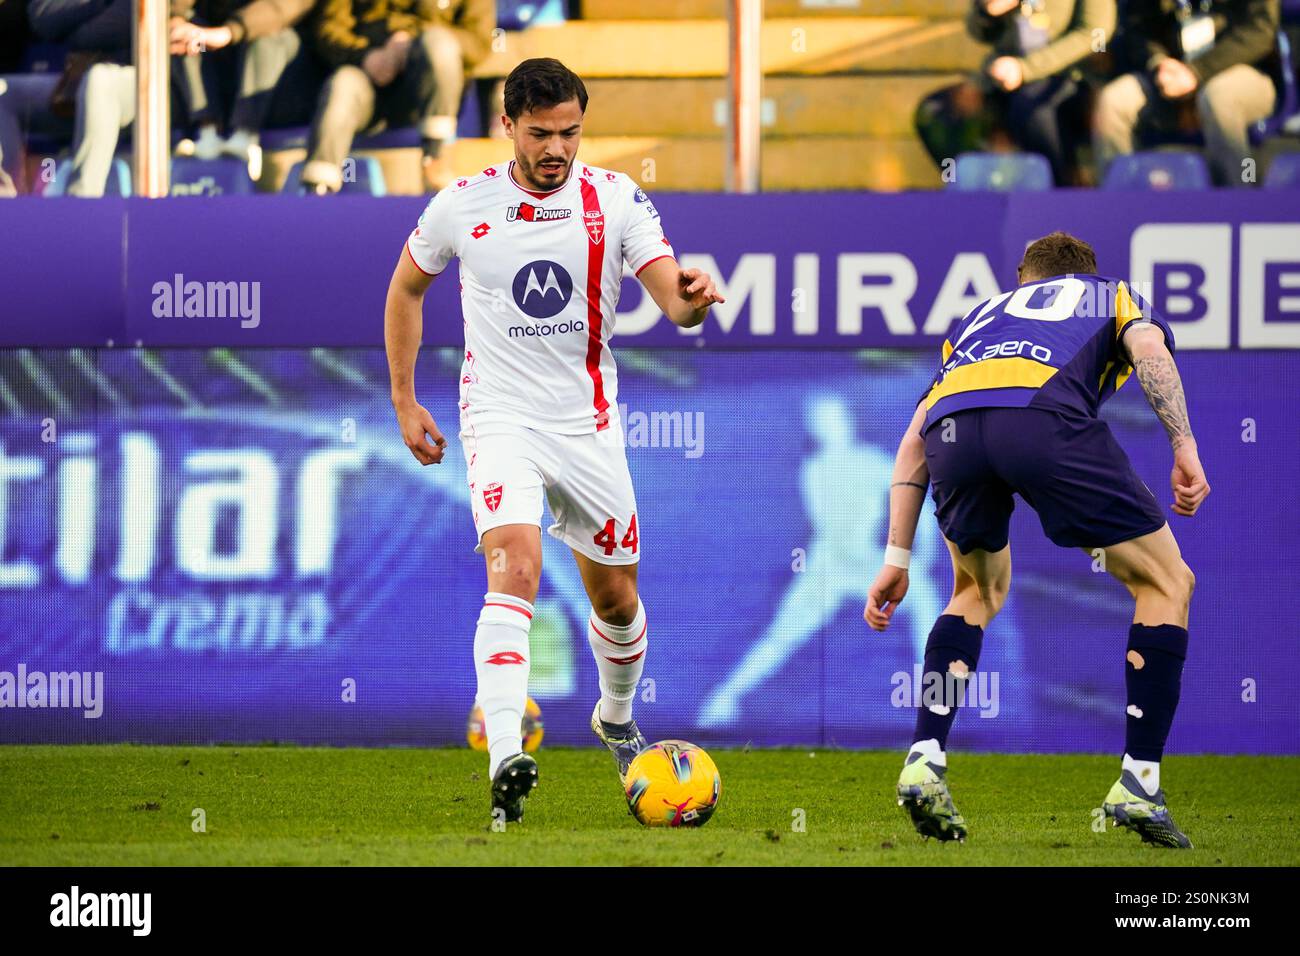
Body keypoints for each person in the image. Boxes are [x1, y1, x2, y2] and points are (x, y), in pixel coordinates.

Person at [384, 58, 724, 824]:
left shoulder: (615, 198)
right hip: (499, 419)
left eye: (570, 132)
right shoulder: (462, 205)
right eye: (541, 133)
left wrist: (695, 301)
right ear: (507, 125)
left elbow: (672, 298)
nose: (557, 148)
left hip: (590, 429)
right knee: (516, 567)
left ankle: (613, 715)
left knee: (617, 596)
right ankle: (507, 756)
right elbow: (406, 287)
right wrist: (406, 401)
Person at [864, 231, 1209, 848]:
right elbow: (1150, 348)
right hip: (1043, 416)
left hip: (953, 432)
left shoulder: (977, 318)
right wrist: (1182, 445)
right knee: (1166, 581)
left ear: (1024, 276)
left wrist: (896, 555)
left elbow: (916, 437)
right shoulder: (1110, 294)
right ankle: (1140, 782)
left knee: (973, 589)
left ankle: (923, 757)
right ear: (1084, 274)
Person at [302, 0, 494, 194]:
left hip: (426, 92)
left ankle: (436, 160)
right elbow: (328, 27)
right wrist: (364, 56)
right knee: (343, 83)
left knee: (439, 44)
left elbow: (479, 42)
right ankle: (318, 192)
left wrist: (410, 40)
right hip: (367, 80)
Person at [916, 0, 1115, 186]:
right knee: (936, 113)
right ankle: (971, 193)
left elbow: (1095, 32)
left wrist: (1026, 69)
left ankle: (1061, 196)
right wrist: (987, 12)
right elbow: (980, 34)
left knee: (1032, 110)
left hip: (1066, 79)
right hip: (1001, 77)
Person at [1094, 0, 1280, 186]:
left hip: (1240, 69)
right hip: (1169, 73)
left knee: (1218, 98)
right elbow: (1137, 29)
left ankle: (1239, 200)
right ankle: (1120, 204)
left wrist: (1196, 72)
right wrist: (1158, 62)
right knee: (1113, 102)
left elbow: (1261, 30)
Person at [168, 0, 317, 169]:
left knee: (269, 36)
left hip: (282, 87)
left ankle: (244, 137)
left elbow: (281, 7)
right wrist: (176, 17)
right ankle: (207, 132)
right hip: (222, 64)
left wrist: (228, 32)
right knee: (191, 38)